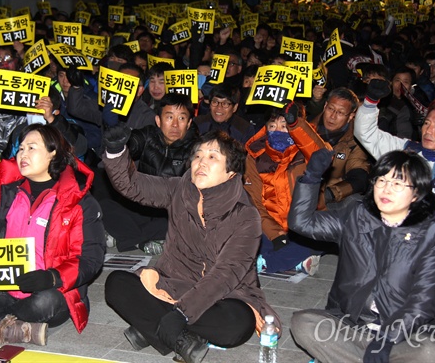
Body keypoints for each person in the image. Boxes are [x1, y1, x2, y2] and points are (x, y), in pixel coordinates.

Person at [103, 129, 281, 363]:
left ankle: (153, 326)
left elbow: (227, 274)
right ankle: (181, 340)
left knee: (238, 325)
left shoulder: (246, 215)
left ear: (231, 171)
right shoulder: (178, 189)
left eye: (212, 157)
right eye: (197, 156)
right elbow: (133, 185)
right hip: (174, 284)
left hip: (225, 295)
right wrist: (116, 152)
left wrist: (181, 313)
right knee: (116, 284)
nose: (201, 163)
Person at [0, 124, 105, 345]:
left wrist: (52, 277)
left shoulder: (78, 202)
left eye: (31, 148)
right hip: (5, 286)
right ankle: (8, 325)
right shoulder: (7, 191)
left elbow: (91, 258)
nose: (22, 154)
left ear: (53, 153)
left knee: (46, 302)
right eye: (20, 149)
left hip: (46, 290)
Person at [289, 149, 435, 363]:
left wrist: (386, 340)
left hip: (403, 335)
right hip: (353, 326)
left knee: (433, 352)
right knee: (303, 323)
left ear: (416, 193)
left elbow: (424, 301)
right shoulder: (355, 217)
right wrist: (311, 178)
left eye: (397, 184)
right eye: (381, 181)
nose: (386, 189)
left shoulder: (431, 235)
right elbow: (302, 222)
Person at [355, 80, 435, 282]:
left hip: (426, 243)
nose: (428, 130)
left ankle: (410, 276)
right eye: (427, 123)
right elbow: (367, 135)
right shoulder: (406, 149)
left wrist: (410, 240)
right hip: (389, 232)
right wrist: (370, 102)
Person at [100, 93, 199, 253]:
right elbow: (133, 142)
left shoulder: (198, 148)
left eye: (181, 118)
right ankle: (142, 240)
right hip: (142, 205)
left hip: (170, 212)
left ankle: (127, 236)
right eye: (169, 117)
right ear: (158, 120)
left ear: (189, 123)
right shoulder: (148, 135)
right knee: (104, 206)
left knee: (180, 224)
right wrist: (120, 144)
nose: (175, 125)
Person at [244, 102, 331, 274]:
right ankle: (296, 262)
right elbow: (254, 201)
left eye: (284, 126)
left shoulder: (306, 152)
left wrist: (296, 125)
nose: (278, 131)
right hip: (269, 227)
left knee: (320, 240)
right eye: (272, 126)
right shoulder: (255, 156)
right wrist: (276, 234)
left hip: (305, 227)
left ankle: (266, 263)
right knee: (247, 235)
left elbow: (323, 155)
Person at [309, 87, 371, 208]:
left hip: (329, 201)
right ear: (325, 105)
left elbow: (359, 178)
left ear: (351, 116)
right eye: (331, 109)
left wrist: (329, 194)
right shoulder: (305, 129)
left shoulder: (355, 142)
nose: (332, 116)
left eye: (340, 113)